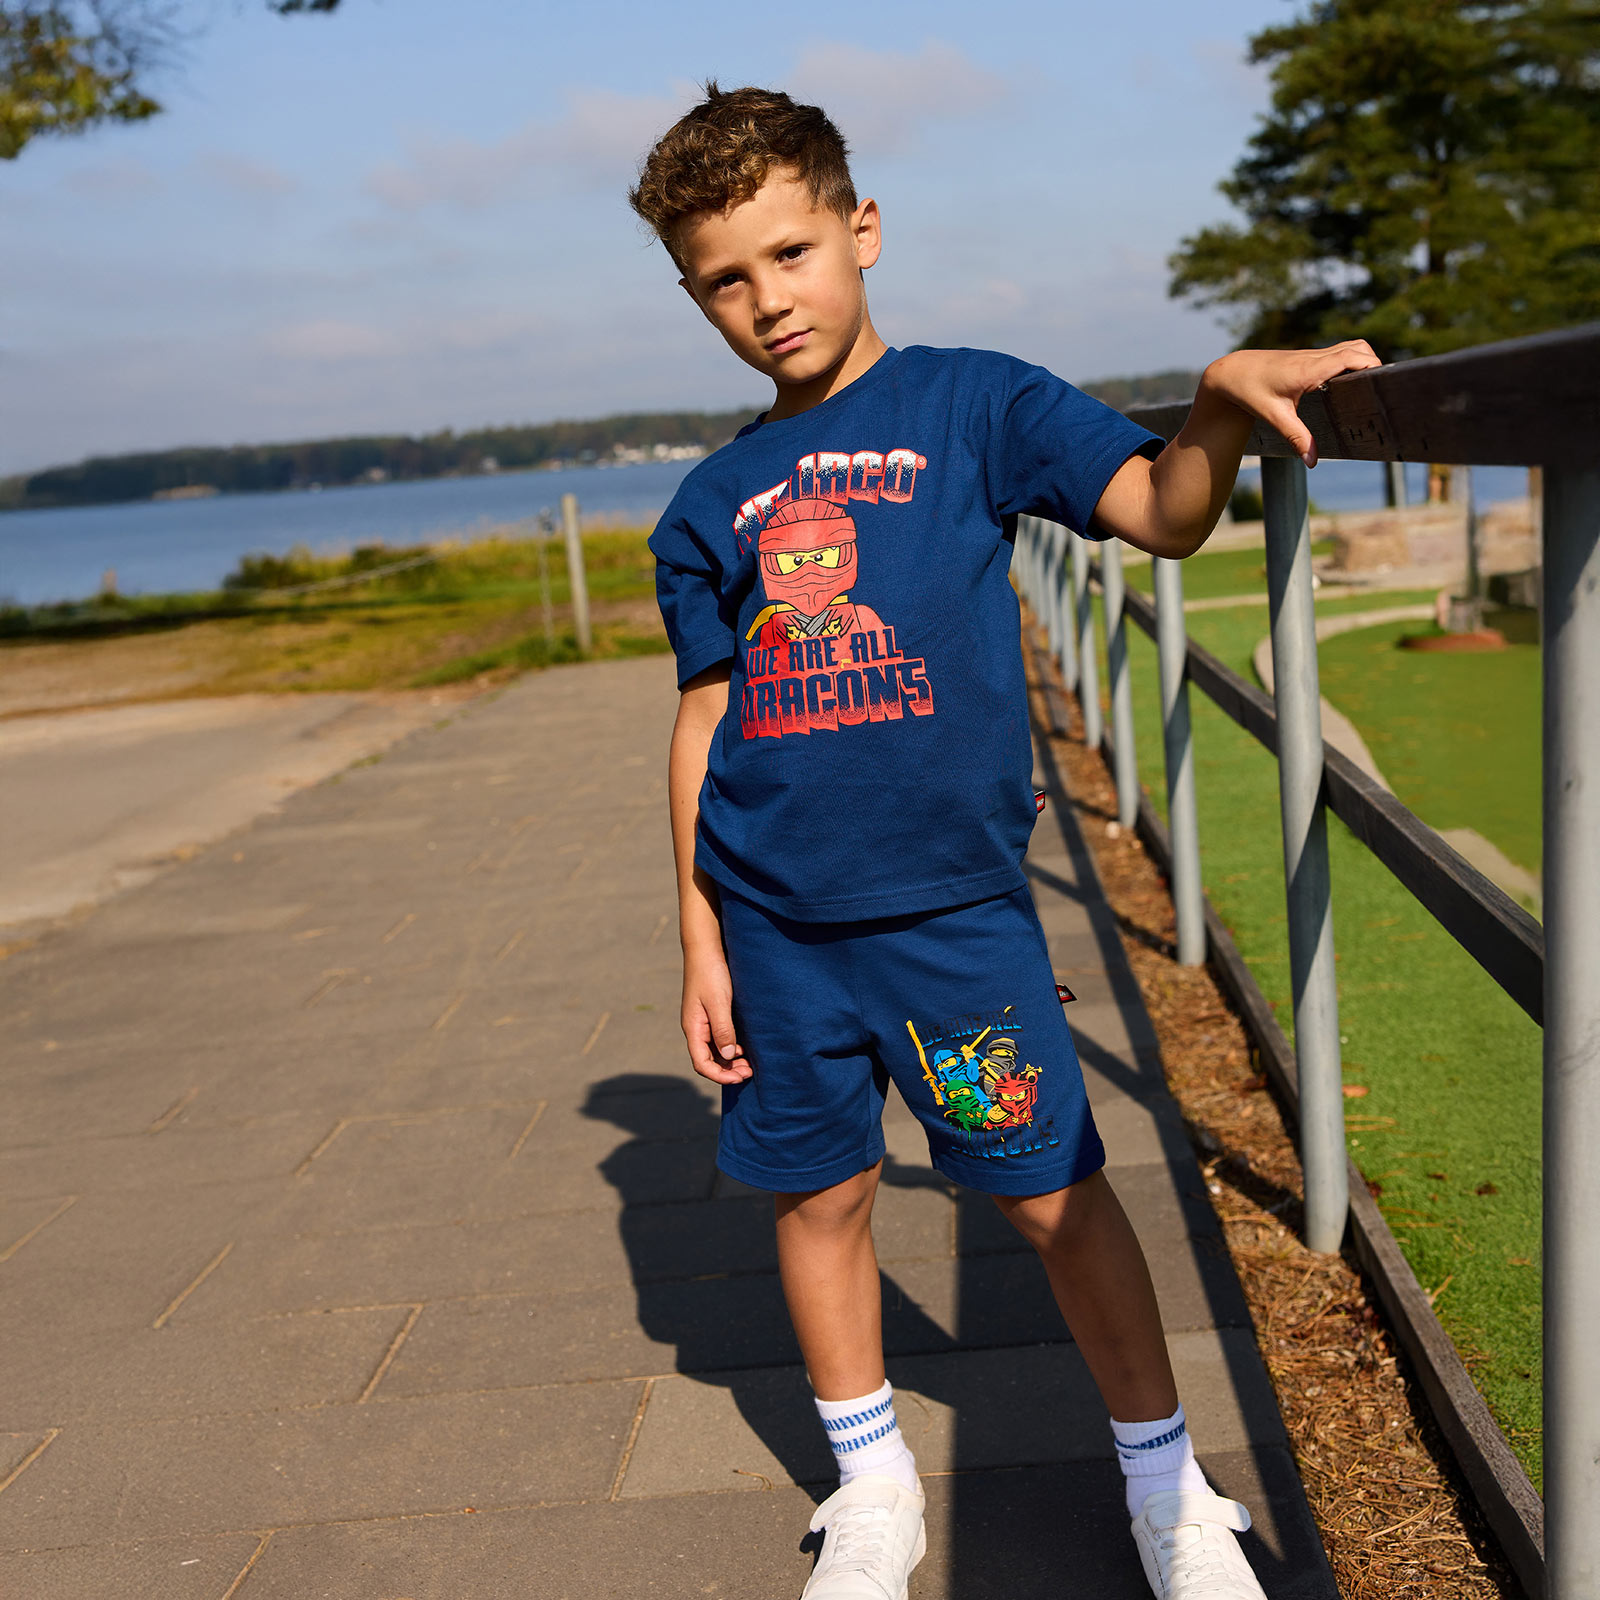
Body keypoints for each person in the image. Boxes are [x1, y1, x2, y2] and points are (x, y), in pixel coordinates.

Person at [630, 82, 1377, 1600]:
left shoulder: (979, 405)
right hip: (775, 926)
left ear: (863, 229)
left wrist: (1219, 407)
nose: (768, 300)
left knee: (1050, 1196)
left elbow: (1163, 510)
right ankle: (872, 1488)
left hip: (954, 919)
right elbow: (705, 719)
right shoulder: (708, 504)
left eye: (791, 252)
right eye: (725, 279)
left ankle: (1170, 1490)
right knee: (819, 1199)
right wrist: (701, 933)